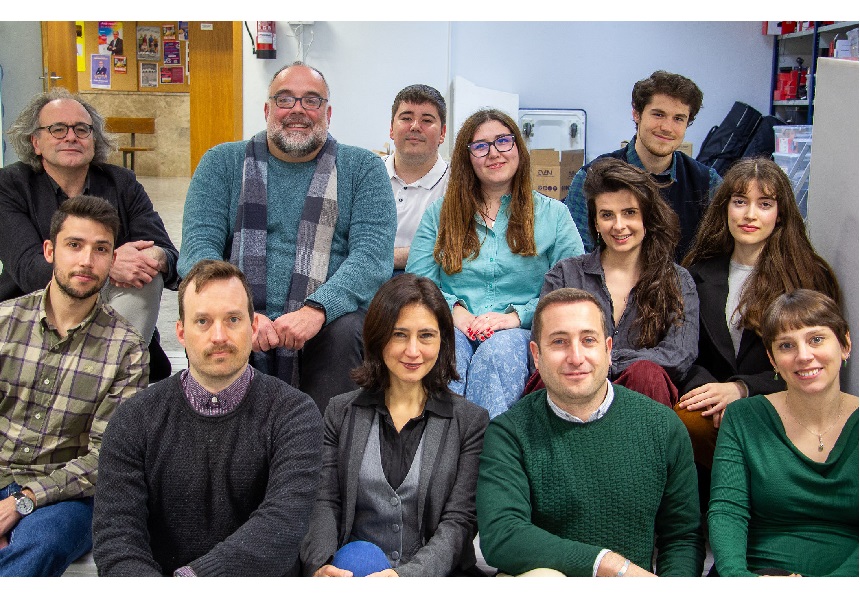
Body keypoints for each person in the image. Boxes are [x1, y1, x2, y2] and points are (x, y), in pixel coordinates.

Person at [179, 61, 396, 413]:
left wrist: (317, 310)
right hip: (237, 314)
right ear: (267, 110)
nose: (298, 110)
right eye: (285, 99)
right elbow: (197, 250)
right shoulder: (222, 162)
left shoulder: (363, 169)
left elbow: (371, 258)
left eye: (311, 101)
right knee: (212, 325)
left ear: (328, 112)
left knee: (348, 331)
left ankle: (323, 453)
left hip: (327, 324)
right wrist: (240, 312)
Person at [92, 260, 324, 576]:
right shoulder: (134, 419)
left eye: (232, 319)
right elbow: (117, 540)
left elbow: (282, 524)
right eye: (202, 321)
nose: (219, 336)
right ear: (181, 333)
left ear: (253, 327)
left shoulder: (295, 415)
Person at [476, 288, 703, 577]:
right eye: (559, 342)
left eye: (588, 340)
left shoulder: (662, 426)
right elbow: (503, 536)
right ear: (536, 354)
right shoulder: (510, 433)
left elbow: (682, 537)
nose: (576, 356)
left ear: (609, 350)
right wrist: (609, 566)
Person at [675, 158, 841, 510]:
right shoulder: (694, 271)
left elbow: (813, 361)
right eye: (740, 202)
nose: (750, 214)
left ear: (779, 214)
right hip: (712, 408)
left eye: (764, 204)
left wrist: (743, 389)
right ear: (725, 209)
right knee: (685, 419)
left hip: (780, 403)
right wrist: (712, 392)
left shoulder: (808, 275)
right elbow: (682, 349)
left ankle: (756, 510)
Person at [300, 273, 489, 577]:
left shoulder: (470, 422)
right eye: (399, 334)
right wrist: (320, 565)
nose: (412, 351)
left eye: (426, 335)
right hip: (354, 575)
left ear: (443, 340)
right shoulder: (339, 411)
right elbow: (324, 501)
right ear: (378, 338)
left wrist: (407, 578)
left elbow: (459, 522)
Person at [0, 195, 148, 577]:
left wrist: (26, 500)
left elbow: (108, 456)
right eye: (74, 245)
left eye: (101, 249)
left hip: (64, 496)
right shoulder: (3, 324)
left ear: (113, 260)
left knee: (47, 539)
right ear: (50, 250)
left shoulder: (126, 349)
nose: (86, 261)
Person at [406, 108, 583, 418]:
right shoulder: (439, 215)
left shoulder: (555, 216)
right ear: (467, 157)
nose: (494, 153)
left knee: (496, 354)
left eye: (503, 141)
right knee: (449, 356)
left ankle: (491, 461)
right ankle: (440, 458)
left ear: (518, 148)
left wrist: (518, 317)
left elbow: (572, 290)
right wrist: (454, 311)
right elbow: (417, 282)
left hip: (521, 331)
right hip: (452, 326)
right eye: (480, 145)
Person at [0, 87, 179, 376]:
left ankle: (97, 379)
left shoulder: (121, 182)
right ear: (35, 141)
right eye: (58, 129)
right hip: (33, 322)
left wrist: (151, 257)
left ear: (94, 140)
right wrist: (109, 264)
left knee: (146, 275)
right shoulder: (9, 186)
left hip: (111, 318)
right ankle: (102, 378)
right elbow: (30, 270)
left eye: (82, 129)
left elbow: (169, 257)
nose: (71, 136)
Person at [709, 289, 858, 577]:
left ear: (845, 344)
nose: (804, 356)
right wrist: (742, 583)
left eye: (816, 339)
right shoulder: (744, 417)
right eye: (786, 346)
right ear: (773, 360)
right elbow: (727, 511)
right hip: (758, 576)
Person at [538, 158, 698, 407]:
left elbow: (679, 355)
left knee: (646, 373)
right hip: (574, 391)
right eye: (607, 215)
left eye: (629, 213)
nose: (619, 225)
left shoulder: (677, 280)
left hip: (640, 400)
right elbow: (548, 346)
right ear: (596, 223)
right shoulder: (565, 276)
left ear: (647, 218)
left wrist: (608, 361)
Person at [564, 70, 721, 260]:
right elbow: (579, 261)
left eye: (678, 118)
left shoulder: (707, 182)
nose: (667, 127)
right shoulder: (591, 177)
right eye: (658, 114)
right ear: (636, 114)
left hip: (683, 288)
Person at [386, 84, 449, 273]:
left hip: (430, 288)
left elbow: (452, 250)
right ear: (391, 129)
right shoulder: (367, 174)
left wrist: (379, 257)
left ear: (442, 133)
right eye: (406, 118)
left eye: (427, 120)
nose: (415, 126)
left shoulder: (458, 184)